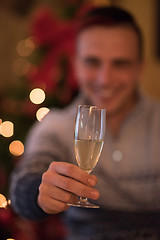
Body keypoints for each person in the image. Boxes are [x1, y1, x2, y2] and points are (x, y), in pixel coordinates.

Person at [9, 5, 160, 240]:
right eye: (92, 62)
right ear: (75, 64)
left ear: (139, 67)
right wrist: (39, 191)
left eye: (120, 63)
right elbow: (24, 185)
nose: (105, 79)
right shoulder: (55, 126)